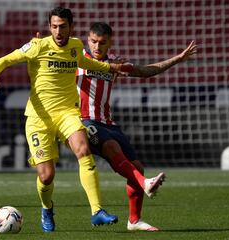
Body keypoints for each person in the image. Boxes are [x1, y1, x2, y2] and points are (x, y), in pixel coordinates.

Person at [0, 7, 133, 233]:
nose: (58, 31)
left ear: (71, 27)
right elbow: (6, 59)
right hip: (38, 118)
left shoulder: (75, 47)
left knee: (83, 150)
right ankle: (47, 208)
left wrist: (110, 67)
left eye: (63, 26)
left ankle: (97, 211)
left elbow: (87, 63)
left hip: (68, 113)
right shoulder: (37, 46)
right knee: (47, 175)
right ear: (49, 27)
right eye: (54, 26)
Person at [76, 22, 197, 231]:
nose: (97, 47)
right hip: (84, 121)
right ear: (88, 40)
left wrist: (177, 59)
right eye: (94, 42)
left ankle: (134, 220)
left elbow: (146, 71)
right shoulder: (77, 59)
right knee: (112, 148)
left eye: (102, 43)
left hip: (108, 122)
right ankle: (145, 183)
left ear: (110, 43)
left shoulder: (115, 64)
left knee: (137, 167)